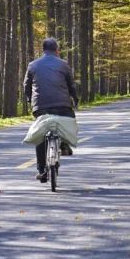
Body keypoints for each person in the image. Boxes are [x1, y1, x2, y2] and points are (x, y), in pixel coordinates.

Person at [23, 37, 79, 182]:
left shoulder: (33, 65)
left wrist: (30, 100)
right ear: (57, 50)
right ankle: (65, 145)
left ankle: (41, 170)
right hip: (63, 105)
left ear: (43, 50)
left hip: (40, 106)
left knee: (40, 135)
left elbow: (26, 86)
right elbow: (71, 85)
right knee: (68, 119)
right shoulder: (64, 65)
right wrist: (75, 99)